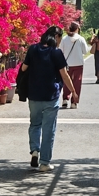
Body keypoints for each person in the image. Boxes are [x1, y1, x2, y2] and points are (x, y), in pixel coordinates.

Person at [22, 31, 77, 172]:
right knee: (48, 130)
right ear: (56, 37)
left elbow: (23, 68)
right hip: (50, 96)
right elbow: (64, 75)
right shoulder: (56, 52)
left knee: (35, 124)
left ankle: (34, 150)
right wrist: (73, 91)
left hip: (34, 94)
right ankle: (44, 163)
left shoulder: (33, 49)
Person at [59, 22, 88, 109]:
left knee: (67, 81)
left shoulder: (64, 39)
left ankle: (65, 99)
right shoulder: (80, 39)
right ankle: (74, 102)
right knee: (77, 82)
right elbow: (85, 51)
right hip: (78, 63)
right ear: (77, 29)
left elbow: (61, 51)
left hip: (67, 64)